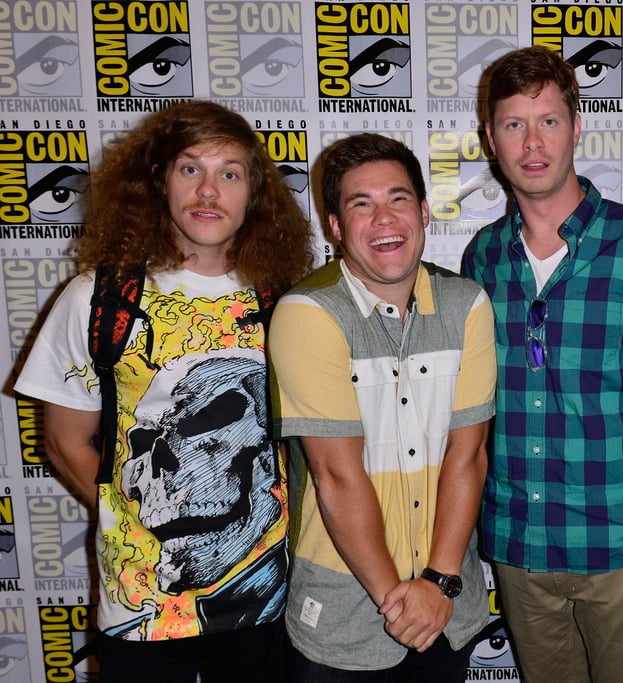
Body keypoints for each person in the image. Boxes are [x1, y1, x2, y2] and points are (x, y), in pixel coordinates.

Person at [14, 100, 315, 681]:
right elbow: (64, 442)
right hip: (139, 601)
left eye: (229, 173)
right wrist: (142, 515)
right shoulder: (97, 300)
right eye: (189, 169)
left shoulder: (286, 301)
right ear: (157, 181)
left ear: (253, 192)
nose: (209, 191)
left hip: (267, 598)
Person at [462, 46, 623, 682]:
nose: (532, 141)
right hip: (520, 546)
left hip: (622, 548)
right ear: (491, 139)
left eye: (548, 120)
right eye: (514, 124)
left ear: (576, 126)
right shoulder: (483, 257)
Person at [269, 133, 495, 681]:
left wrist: (438, 584)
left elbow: (468, 456)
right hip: (345, 613)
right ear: (336, 226)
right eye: (360, 204)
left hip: (449, 604)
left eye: (397, 199)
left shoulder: (467, 303)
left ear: (422, 211)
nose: (384, 218)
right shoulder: (307, 312)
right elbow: (336, 475)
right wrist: (400, 600)